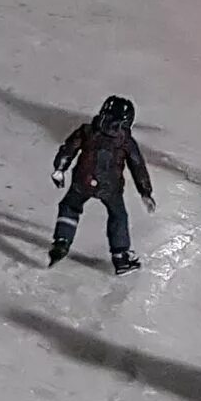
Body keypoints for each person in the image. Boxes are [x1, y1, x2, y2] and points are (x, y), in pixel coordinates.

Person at [48, 94, 157, 273]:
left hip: (82, 181)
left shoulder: (87, 131)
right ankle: (121, 257)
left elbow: (69, 149)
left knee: (70, 206)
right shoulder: (126, 142)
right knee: (118, 216)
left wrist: (59, 169)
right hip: (110, 187)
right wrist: (145, 192)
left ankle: (62, 241)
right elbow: (137, 166)